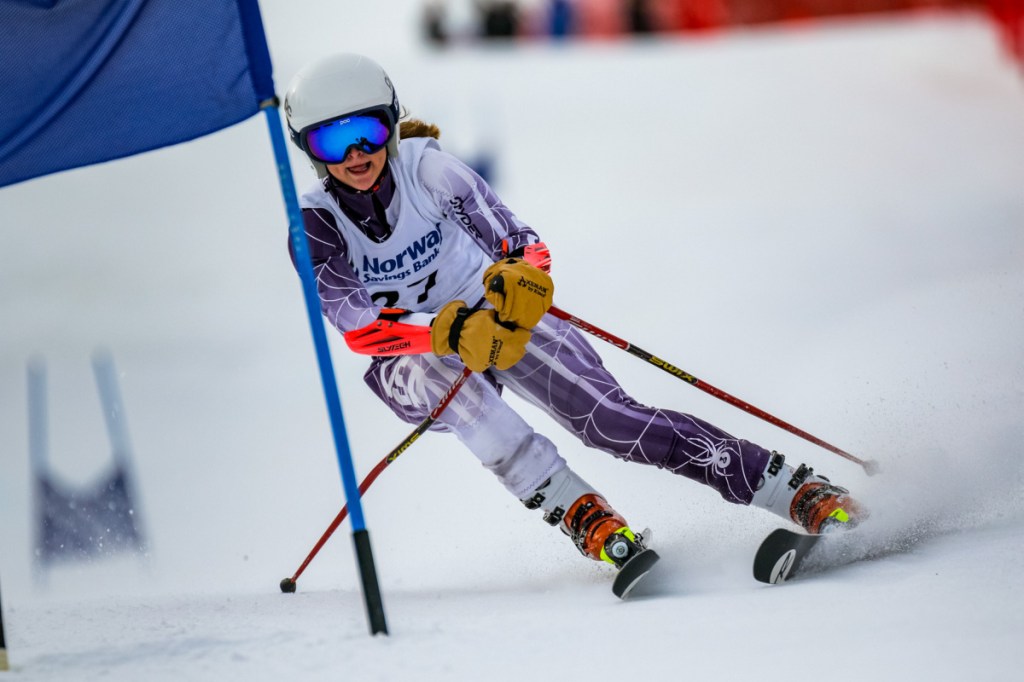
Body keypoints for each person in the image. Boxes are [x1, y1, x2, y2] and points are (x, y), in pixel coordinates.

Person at [283, 53, 863, 573]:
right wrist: (446, 332)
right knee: (466, 403)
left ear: (391, 122)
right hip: (415, 349)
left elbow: (524, 245)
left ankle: (796, 490)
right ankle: (586, 518)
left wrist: (519, 283)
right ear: (307, 150)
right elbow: (359, 329)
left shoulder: (428, 170)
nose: (357, 154)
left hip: (491, 312)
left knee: (611, 422)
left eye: (369, 130)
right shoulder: (313, 225)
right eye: (332, 143)